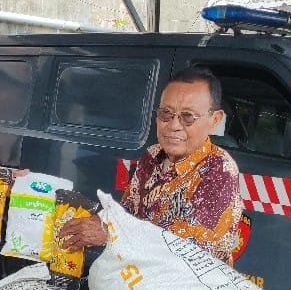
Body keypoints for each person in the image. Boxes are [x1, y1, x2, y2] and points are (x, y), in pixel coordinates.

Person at [59, 67, 244, 264]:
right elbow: (127, 211)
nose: (173, 125)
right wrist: (102, 220)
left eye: (188, 116)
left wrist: (111, 232)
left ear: (214, 120)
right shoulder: (153, 155)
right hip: (137, 273)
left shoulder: (219, 170)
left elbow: (186, 249)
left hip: (185, 280)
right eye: (166, 113)